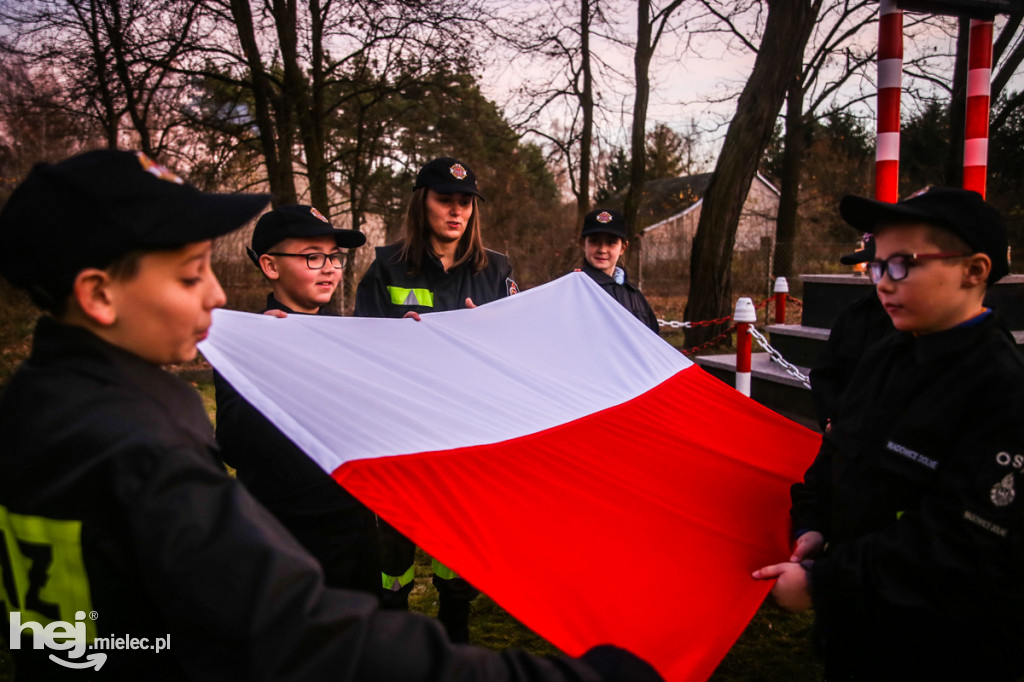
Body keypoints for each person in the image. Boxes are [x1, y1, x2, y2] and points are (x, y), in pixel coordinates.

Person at [0, 149, 662, 682]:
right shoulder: (140, 448)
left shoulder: (37, 407)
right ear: (98, 295)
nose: (218, 292)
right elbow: (301, 631)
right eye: (190, 273)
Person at [753, 187, 1024, 680]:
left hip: (943, 647)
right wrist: (812, 522)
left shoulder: (1001, 387)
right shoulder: (888, 352)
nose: (882, 282)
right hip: (860, 631)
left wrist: (822, 583)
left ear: (975, 270)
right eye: (877, 265)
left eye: (902, 264)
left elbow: (960, 543)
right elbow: (840, 448)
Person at [354, 156, 517, 642]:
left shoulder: (498, 271)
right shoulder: (385, 268)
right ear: (421, 201)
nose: (457, 211)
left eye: (465, 202)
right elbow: (360, 353)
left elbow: (516, 355)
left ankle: (454, 631)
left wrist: (489, 338)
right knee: (394, 544)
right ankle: (394, 628)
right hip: (400, 431)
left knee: (458, 540)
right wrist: (393, 343)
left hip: (466, 432)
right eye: (445, 199)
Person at [214, 204, 378, 594]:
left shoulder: (350, 337)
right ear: (271, 266)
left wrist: (416, 342)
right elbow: (234, 445)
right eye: (312, 257)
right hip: (284, 534)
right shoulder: (246, 341)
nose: (330, 268)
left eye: (335, 257)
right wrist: (269, 362)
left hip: (354, 527)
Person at [808, 235, 893, 432]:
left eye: (893, 268)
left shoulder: (928, 321)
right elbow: (824, 373)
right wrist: (832, 417)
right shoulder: (855, 314)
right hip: (846, 437)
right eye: (875, 270)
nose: (884, 281)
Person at [576, 208, 658, 334]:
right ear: (583, 244)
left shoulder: (634, 295)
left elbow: (652, 340)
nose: (602, 250)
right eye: (594, 241)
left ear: (623, 248)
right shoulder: (573, 289)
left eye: (611, 242)